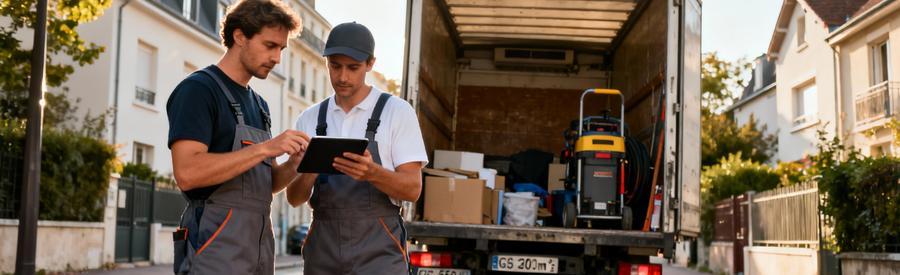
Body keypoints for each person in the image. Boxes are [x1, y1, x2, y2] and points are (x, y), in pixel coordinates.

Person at [166, 1, 305, 274]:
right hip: (213, 249)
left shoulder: (260, 105)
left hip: (259, 251)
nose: (277, 58)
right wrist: (265, 148)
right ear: (240, 36)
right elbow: (187, 172)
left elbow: (267, 184)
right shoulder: (198, 90)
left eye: (281, 49)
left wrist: (296, 163)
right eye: (269, 46)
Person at [286, 22, 428, 274]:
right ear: (327, 62)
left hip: (379, 249)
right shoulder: (309, 119)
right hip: (323, 248)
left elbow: (413, 189)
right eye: (335, 66)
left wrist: (371, 173)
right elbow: (294, 198)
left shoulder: (397, 112)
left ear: (370, 64)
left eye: (353, 68)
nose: (342, 77)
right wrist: (309, 170)